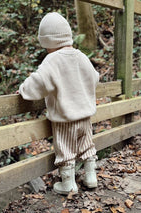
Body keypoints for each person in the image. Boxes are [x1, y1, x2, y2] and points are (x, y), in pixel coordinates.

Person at [18, 12, 99, 195]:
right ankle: (91, 176)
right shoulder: (81, 56)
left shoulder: (52, 60)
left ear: (46, 41)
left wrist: (23, 90)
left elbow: (38, 83)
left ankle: (68, 184)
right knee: (87, 146)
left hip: (64, 118)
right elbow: (95, 78)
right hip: (85, 116)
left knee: (65, 150)